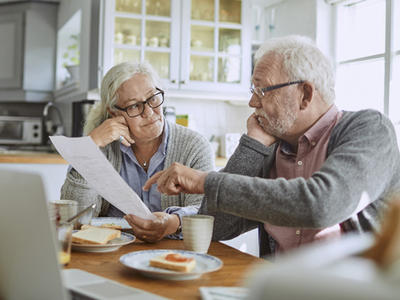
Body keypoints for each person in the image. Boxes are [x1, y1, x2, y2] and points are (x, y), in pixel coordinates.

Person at [144, 35, 400, 256]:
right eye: (253, 90)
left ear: (306, 95)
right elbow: (219, 225)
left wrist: (204, 181)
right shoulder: (271, 146)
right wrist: (252, 145)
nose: (253, 102)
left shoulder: (369, 129)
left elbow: (321, 205)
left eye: (263, 91)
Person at [61, 61, 214, 242]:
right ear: (114, 113)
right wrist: (90, 146)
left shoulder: (194, 146)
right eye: (134, 105)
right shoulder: (104, 146)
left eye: (153, 98)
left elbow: (204, 212)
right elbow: (74, 218)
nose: (149, 112)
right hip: (110, 250)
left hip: (174, 251)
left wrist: (173, 222)